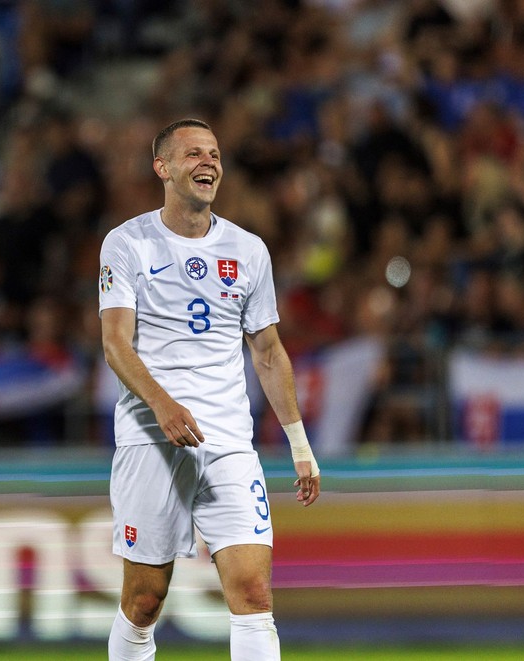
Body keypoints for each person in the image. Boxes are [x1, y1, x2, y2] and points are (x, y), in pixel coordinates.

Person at [98, 118, 321, 661]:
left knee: (253, 594)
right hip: (153, 440)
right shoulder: (127, 243)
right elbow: (115, 343)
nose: (209, 162)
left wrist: (299, 445)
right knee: (145, 599)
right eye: (194, 153)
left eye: (215, 153)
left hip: (227, 443)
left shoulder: (248, 251)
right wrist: (162, 405)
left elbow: (268, 353)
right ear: (163, 167)